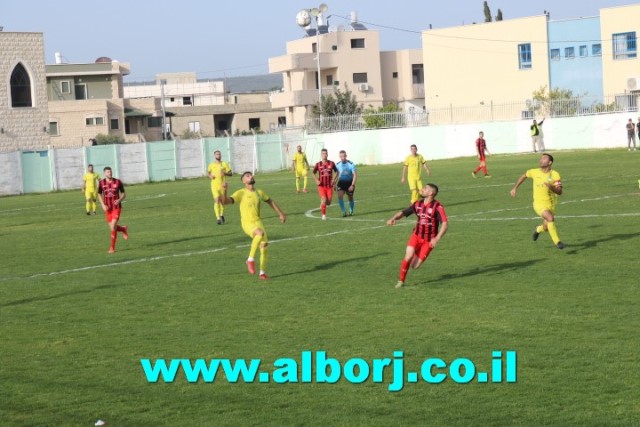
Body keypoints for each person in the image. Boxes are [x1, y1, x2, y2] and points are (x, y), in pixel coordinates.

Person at [220, 171, 286, 280]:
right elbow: (225, 202)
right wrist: (225, 190)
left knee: (264, 247)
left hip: (258, 222)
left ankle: (262, 273)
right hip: (247, 223)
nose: (251, 176)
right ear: (244, 181)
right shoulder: (241, 193)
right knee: (259, 233)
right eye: (248, 176)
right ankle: (250, 260)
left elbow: (270, 201)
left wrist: (281, 213)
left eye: (251, 175)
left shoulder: (259, 192)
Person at [387, 183, 448, 288]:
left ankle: (418, 253)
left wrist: (437, 238)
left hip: (429, 241)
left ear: (431, 193)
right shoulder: (417, 204)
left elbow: (445, 224)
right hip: (416, 236)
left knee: (415, 266)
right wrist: (393, 218)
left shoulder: (438, 207)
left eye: (425, 188)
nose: (422, 189)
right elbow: (403, 212)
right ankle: (401, 281)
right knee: (408, 256)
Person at [510, 153, 564, 250]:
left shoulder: (555, 174)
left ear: (550, 162)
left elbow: (560, 192)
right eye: (541, 159)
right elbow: (524, 176)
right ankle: (558, 242)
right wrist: (514, 188)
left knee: (547, 227)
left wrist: (552, 187)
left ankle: (538, 229)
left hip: (551, 205)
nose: (541, 160)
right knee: (550, 218)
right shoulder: (534, 172)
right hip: (539, 204)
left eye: (544, 159)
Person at [97, 166, 128, 254]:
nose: (110, 173)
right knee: (112, 227)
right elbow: (99, 193)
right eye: (108, 172)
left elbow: (123, 194)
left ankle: (112, 247)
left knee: (113, 225)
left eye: (110, 171)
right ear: (104, 173)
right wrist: (102, 204)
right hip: (107, 208)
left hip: (116, 208)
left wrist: (119, 200)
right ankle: (123, 229)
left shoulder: (118, 182)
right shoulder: (101, 183)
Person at [207, 150, 233, 225]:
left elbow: (230, 173)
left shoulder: (224, 164)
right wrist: (210, 176)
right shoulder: (211, 165)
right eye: (217, 154)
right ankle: (218, 217)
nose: (218, 155)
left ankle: (221, 214)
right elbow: (208, 173)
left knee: (223, 201)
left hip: (223, 185)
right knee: (216, 200)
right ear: (214, 156)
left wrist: (224, 173)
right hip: (214, 185)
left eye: (219, 154)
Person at [312, 148, 338, 220]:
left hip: (329, 186)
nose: (324, 155)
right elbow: (313, 173)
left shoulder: (332, 163)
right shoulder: (318, 164)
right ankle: (323, 215)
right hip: (321, 186)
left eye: (325, 153)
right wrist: (316, 180)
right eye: (323, 153)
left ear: (327, 154)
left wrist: (334, 180)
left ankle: (322, 204)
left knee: (328, 202)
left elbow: (337, 172)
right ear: (321, 155)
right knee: (324, 199)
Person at [335, 150, 357, 216]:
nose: (343, 158)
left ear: (346, 156)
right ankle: (344, 212)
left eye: (344, 156)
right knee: (340, 196)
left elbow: (355, 175)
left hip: (349, 183)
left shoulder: (351, 164)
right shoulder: (337, 165)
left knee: (350, 197)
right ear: (339, 156)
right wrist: (334, 183)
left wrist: (352, 185)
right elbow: (336, 174)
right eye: (341, 156)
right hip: (341, 183)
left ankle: (351, 210)